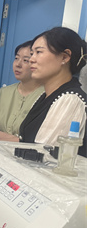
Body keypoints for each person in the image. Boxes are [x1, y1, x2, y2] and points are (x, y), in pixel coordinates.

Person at [19, 27, 87, 156]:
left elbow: (45, 156)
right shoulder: (46, 96)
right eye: (32, 53)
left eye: (39, 52)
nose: (31, 59)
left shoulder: (70, 100)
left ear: (64, 57)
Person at [0, 41, 43, 141]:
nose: (18, 64)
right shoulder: (4, 92)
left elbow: (37, 139)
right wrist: (18, 140)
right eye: (16, 58)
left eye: (25, 60)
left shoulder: (45, 95)